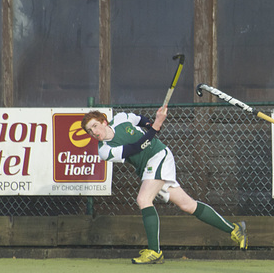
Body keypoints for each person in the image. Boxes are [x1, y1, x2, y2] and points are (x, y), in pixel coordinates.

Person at [81, 106, 248, 264]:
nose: (94, 132)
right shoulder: (104, 150)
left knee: (143, 199)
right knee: (187, 205)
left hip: (158, 155)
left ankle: (155, 252)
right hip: (148, 167)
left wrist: (152, 124)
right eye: (90, 131)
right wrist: (156, 126)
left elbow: (140, 120)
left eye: (95, 126)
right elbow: (135, 148)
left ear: (104, 121)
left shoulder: (121, 118)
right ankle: (234, 229)